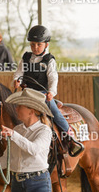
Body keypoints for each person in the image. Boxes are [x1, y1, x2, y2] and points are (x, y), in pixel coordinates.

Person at [12, 25, 84, 157]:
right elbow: (18, 72)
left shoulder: (49, 60)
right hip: (27, 94)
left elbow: (53, 77)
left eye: (39, 44)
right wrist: (16, 80)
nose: (35, 47)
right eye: (32, 44)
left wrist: (51, 92)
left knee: (55, 113)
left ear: (46, 44)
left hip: (43, 95)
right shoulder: (26, 58)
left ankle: (69, 136)